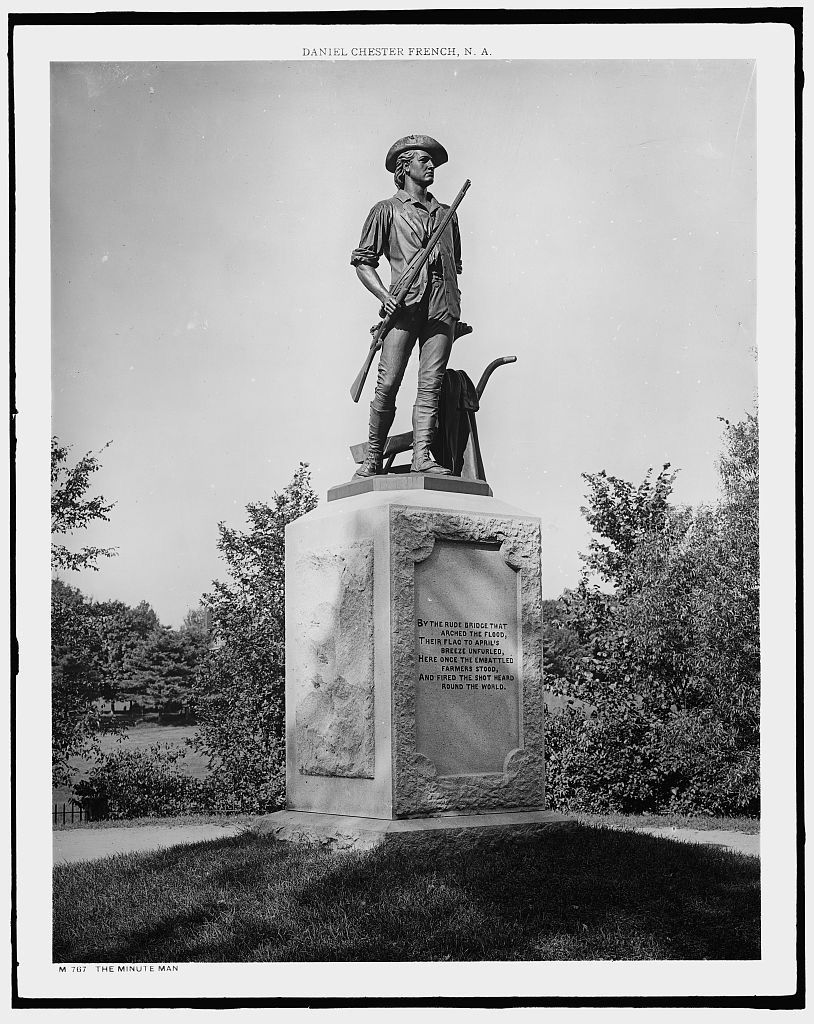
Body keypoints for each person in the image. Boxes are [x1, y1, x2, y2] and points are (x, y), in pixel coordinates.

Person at [350, 134, 462, 476]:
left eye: (432, 161)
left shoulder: (448, 214)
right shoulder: (386, 211)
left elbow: (454, 265)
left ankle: (422, 456)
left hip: (442, 307)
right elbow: (363, 261)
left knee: (432, 382)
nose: (430, 166)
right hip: (403, 306)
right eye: (423, 160)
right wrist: (385, 297)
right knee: (387, 383)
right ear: (405, 167)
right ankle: (373, 456)